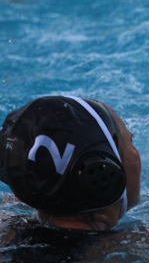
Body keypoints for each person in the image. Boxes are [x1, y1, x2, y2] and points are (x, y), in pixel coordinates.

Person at [0, 96, 141, 231]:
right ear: (104, 171)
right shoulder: (140, 247)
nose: (135, 153)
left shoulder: (7, 230)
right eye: (130, 140)